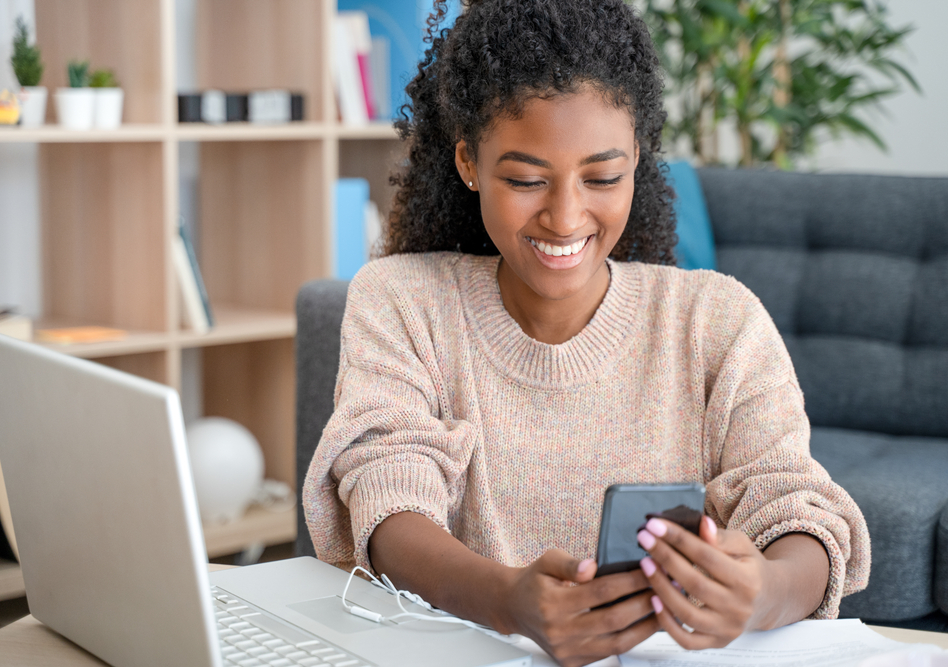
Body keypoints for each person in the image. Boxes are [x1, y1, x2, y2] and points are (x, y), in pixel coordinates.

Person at [303, 1, 870, 665]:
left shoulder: (716, 320)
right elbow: (385, 498)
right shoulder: (402, 300)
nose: (566, 216)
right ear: (468, 162)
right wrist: (504, 598)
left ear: (637, 159)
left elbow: (799, 513)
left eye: (602, 176)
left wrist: (761, 590)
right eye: (524, 178)